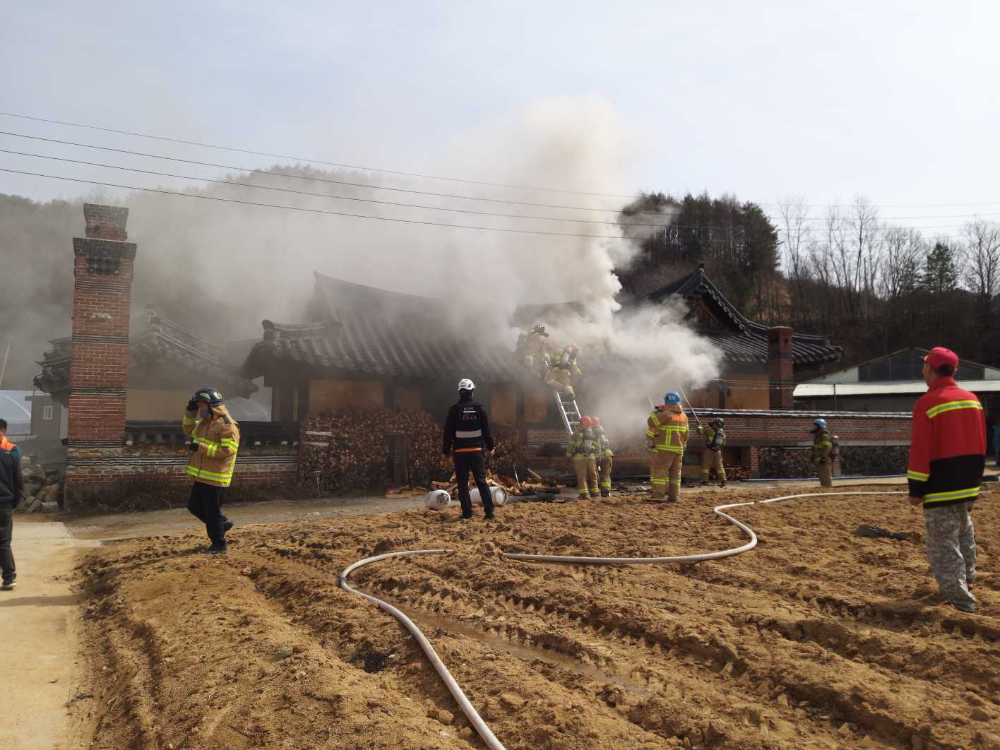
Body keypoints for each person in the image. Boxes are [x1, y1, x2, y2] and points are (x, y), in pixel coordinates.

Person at [907, 347, 985, 613]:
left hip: (940, 487)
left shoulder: (927, 403)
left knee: (944, 545)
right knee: (965, 532)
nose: (923, 371)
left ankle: (961, 601)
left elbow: (920, 450)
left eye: (924, 366)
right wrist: (976, 483)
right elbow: (981, 444)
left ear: (931, 369)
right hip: (968, 483)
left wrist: (916, 489)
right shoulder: (973, 400)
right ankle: (969, 581)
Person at [183, 387, 241, 554]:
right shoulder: (204, 424)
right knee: (194, 506)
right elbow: (188, 429)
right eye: (198, 406)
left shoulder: (227, 425)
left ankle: (219, 544)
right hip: (202, 475)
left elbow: (227, 450)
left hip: (216, 477)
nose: (200, 410)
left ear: (212, 406)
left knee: (211, 511)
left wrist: (201, 447)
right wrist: (189, 412)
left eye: (202, 406)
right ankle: (221, 523)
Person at [442, 378, 496, 521]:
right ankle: (489, 513)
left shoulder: (454, 410)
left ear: (460, 392)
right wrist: (491, 447)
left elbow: (447, 433)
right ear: (472, 391)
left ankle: (467, 513)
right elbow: (487, 431)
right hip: (476, 451)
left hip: (460, 453)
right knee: (481, 481)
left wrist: (445, 452)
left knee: (462, 483)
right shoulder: (480, 409)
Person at [646, 392, 689, 502]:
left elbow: (651, 422)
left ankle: (659, 495)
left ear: (667, 401)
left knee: (660, 471)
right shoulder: (684, 416)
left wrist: (655, 412)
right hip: (679, 450)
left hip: (666, 449)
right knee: (675, 474)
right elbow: (686, 434)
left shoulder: (666, 414)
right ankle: (674, 496)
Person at [0, 424, 23, 591]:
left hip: (4, 502)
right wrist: (14, 502)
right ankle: (9, 578)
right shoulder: (11, 453)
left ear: (3, 431)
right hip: (4, 503)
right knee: (3, 542)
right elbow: (18, 480)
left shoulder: (12, 450)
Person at [566, 415, 599, 500]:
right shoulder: (593, 433)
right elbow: (597, 446)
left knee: (582, 477)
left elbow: (570, 446)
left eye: (580, 422)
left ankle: (584, 495)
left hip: (580, 458)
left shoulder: (576, 433)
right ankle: (595, 494)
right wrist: (597, 457)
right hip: (591, 458)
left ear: (582, 423)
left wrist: (568, 457)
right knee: (593, 476)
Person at [698, 418, 727, 487]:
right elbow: (724, 443)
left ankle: (705, 481)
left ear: (714, 423)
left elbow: (700, 431)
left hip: (709, 449)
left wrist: (699, 425)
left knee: (706, 465)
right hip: (718, 451)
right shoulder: (722, 433)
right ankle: (723, 480)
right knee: (719, 465)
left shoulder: (709, 430)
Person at [592, 416, 614, 497]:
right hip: (608, 455)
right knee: (606, 474)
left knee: (594, 474)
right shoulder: (602, 431)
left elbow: (594, 446)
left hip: (599, 456)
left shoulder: (591, 433)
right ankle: (606, 492)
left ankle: (595, 492)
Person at [810, 418, 834, 488]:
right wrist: (813, 456)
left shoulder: (824, 436)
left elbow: (827, 447)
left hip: (824, 459)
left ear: (820, 426)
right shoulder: (818, 436)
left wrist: (823, 457)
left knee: (826, 475)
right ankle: (824, 488)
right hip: (819, 459)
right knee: (821, 475)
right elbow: (817, 448)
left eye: (815, 426)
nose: (814, 428)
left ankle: (828, 489)